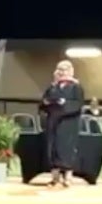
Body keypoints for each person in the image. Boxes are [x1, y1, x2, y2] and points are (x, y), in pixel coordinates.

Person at [40, 60, 84, 188]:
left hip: (68, 123)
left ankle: (68, 178)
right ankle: (54, 177)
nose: (62, 73)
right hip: (53, 122)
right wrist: (48, 103)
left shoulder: (76, 87)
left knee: (66, 149)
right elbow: (43, 103)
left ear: (71, 71)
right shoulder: (53, 87)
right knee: (52, 149)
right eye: (60, 70)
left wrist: (63, 105)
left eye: (65, 70)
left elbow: (77, 104)